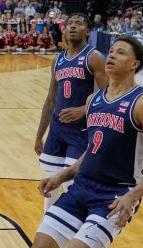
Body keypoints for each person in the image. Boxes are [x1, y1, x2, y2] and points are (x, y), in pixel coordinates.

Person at [34, 35, 143, 248]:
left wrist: (132, 196)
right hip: (81, 187)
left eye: (121, 52)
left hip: (115, 194)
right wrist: (62, 175)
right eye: (112, 51)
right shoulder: (93, 100)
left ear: (134, 65)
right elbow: (93, 150)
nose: (112, 55)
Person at [35, 14, 108, 211]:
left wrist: (83, 109)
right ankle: (49, 227)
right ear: (64, 30)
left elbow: (110, 97)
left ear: (88, 31)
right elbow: (50, 100)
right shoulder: (57, 60)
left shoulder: (93, 58)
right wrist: (40, 135)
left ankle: (76, 227)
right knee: (50, 183)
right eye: (69, 24)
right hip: (57, 130)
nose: (73, 27)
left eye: (79, 23)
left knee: (72, 183)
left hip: (82, 130)